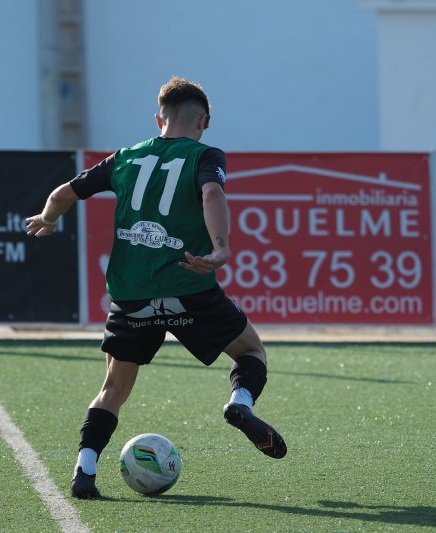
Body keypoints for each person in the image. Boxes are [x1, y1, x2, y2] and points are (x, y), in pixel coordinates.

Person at [26, 76, 287, 500]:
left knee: (114, 387)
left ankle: (84, 472)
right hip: (188, 286)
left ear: (158, 119)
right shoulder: (204, 155)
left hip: (131, 295)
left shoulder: (126, 157)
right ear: (203, 120)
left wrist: (48, 218)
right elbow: (212, 194)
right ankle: (240, 403)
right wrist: (220, 249)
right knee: (250, 351)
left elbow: (62, 193)